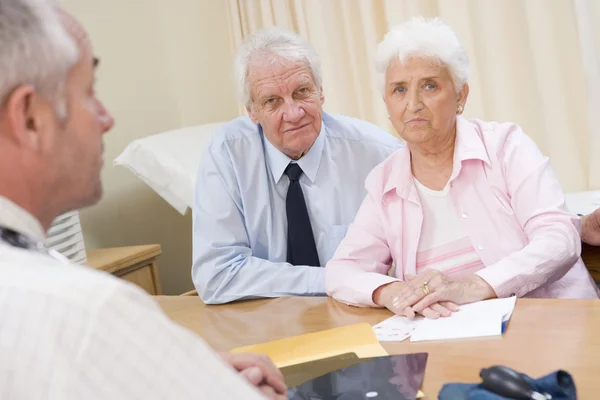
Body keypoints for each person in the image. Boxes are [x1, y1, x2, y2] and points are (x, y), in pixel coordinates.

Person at [0, 1, 286, 399]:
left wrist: (171, 369)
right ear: (30, 118)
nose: (106, 118)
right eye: (88, 93)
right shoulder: (88, 310)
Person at [325, 17, 600, 319]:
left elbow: (559, 239)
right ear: (387, 104)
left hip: (551, 324)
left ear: (461, 95)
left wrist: (471, 286)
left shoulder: (505, 146)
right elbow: (341, 271)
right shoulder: (384, 182)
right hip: (451, 346)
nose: (413, 104)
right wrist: (392, 292)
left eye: (429, 86)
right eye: (399, 90)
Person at [192, 27, 402, 304]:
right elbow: (216, 274)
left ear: (321, 92)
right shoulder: (227, 154)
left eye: (302, 92)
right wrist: (335, 280)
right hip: (264, 320)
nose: (293, 113)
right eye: (272, 101)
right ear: (252, 112)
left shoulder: (380, 154)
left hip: (358, 314)